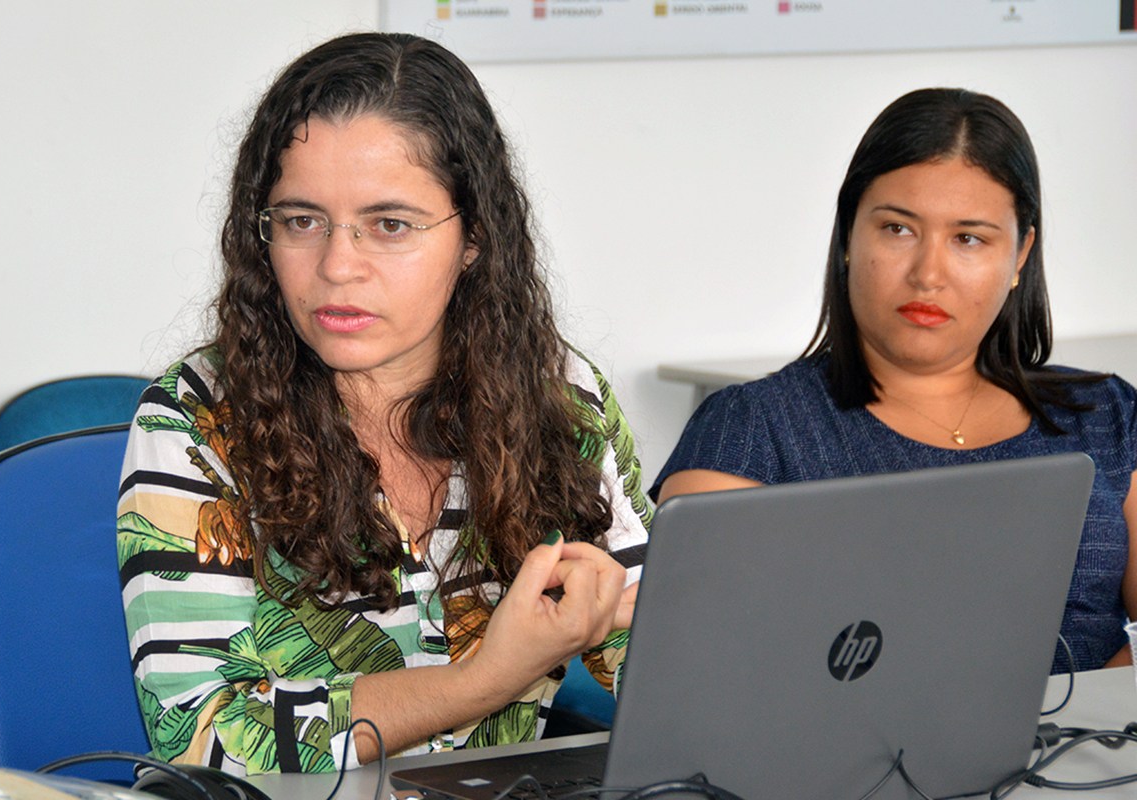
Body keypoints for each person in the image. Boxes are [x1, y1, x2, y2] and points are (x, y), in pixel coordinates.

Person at [117, 33, 650, 775]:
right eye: (301, 221)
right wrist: (483, 680)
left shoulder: (560, 396)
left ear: (474, 239)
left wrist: (644, 626)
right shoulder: (197, 420)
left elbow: (662, 655)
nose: (337, 266)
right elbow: (206, 742)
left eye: (389, 225)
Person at [652, 88, 1137, 675]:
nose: (927, 273)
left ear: (1019, 255)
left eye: (969, 239)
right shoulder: (754, 428)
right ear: (850, 236)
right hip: (857, 764)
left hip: (1101, 759)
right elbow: (691, 675)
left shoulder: (1101, 413)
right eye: (899, 229)